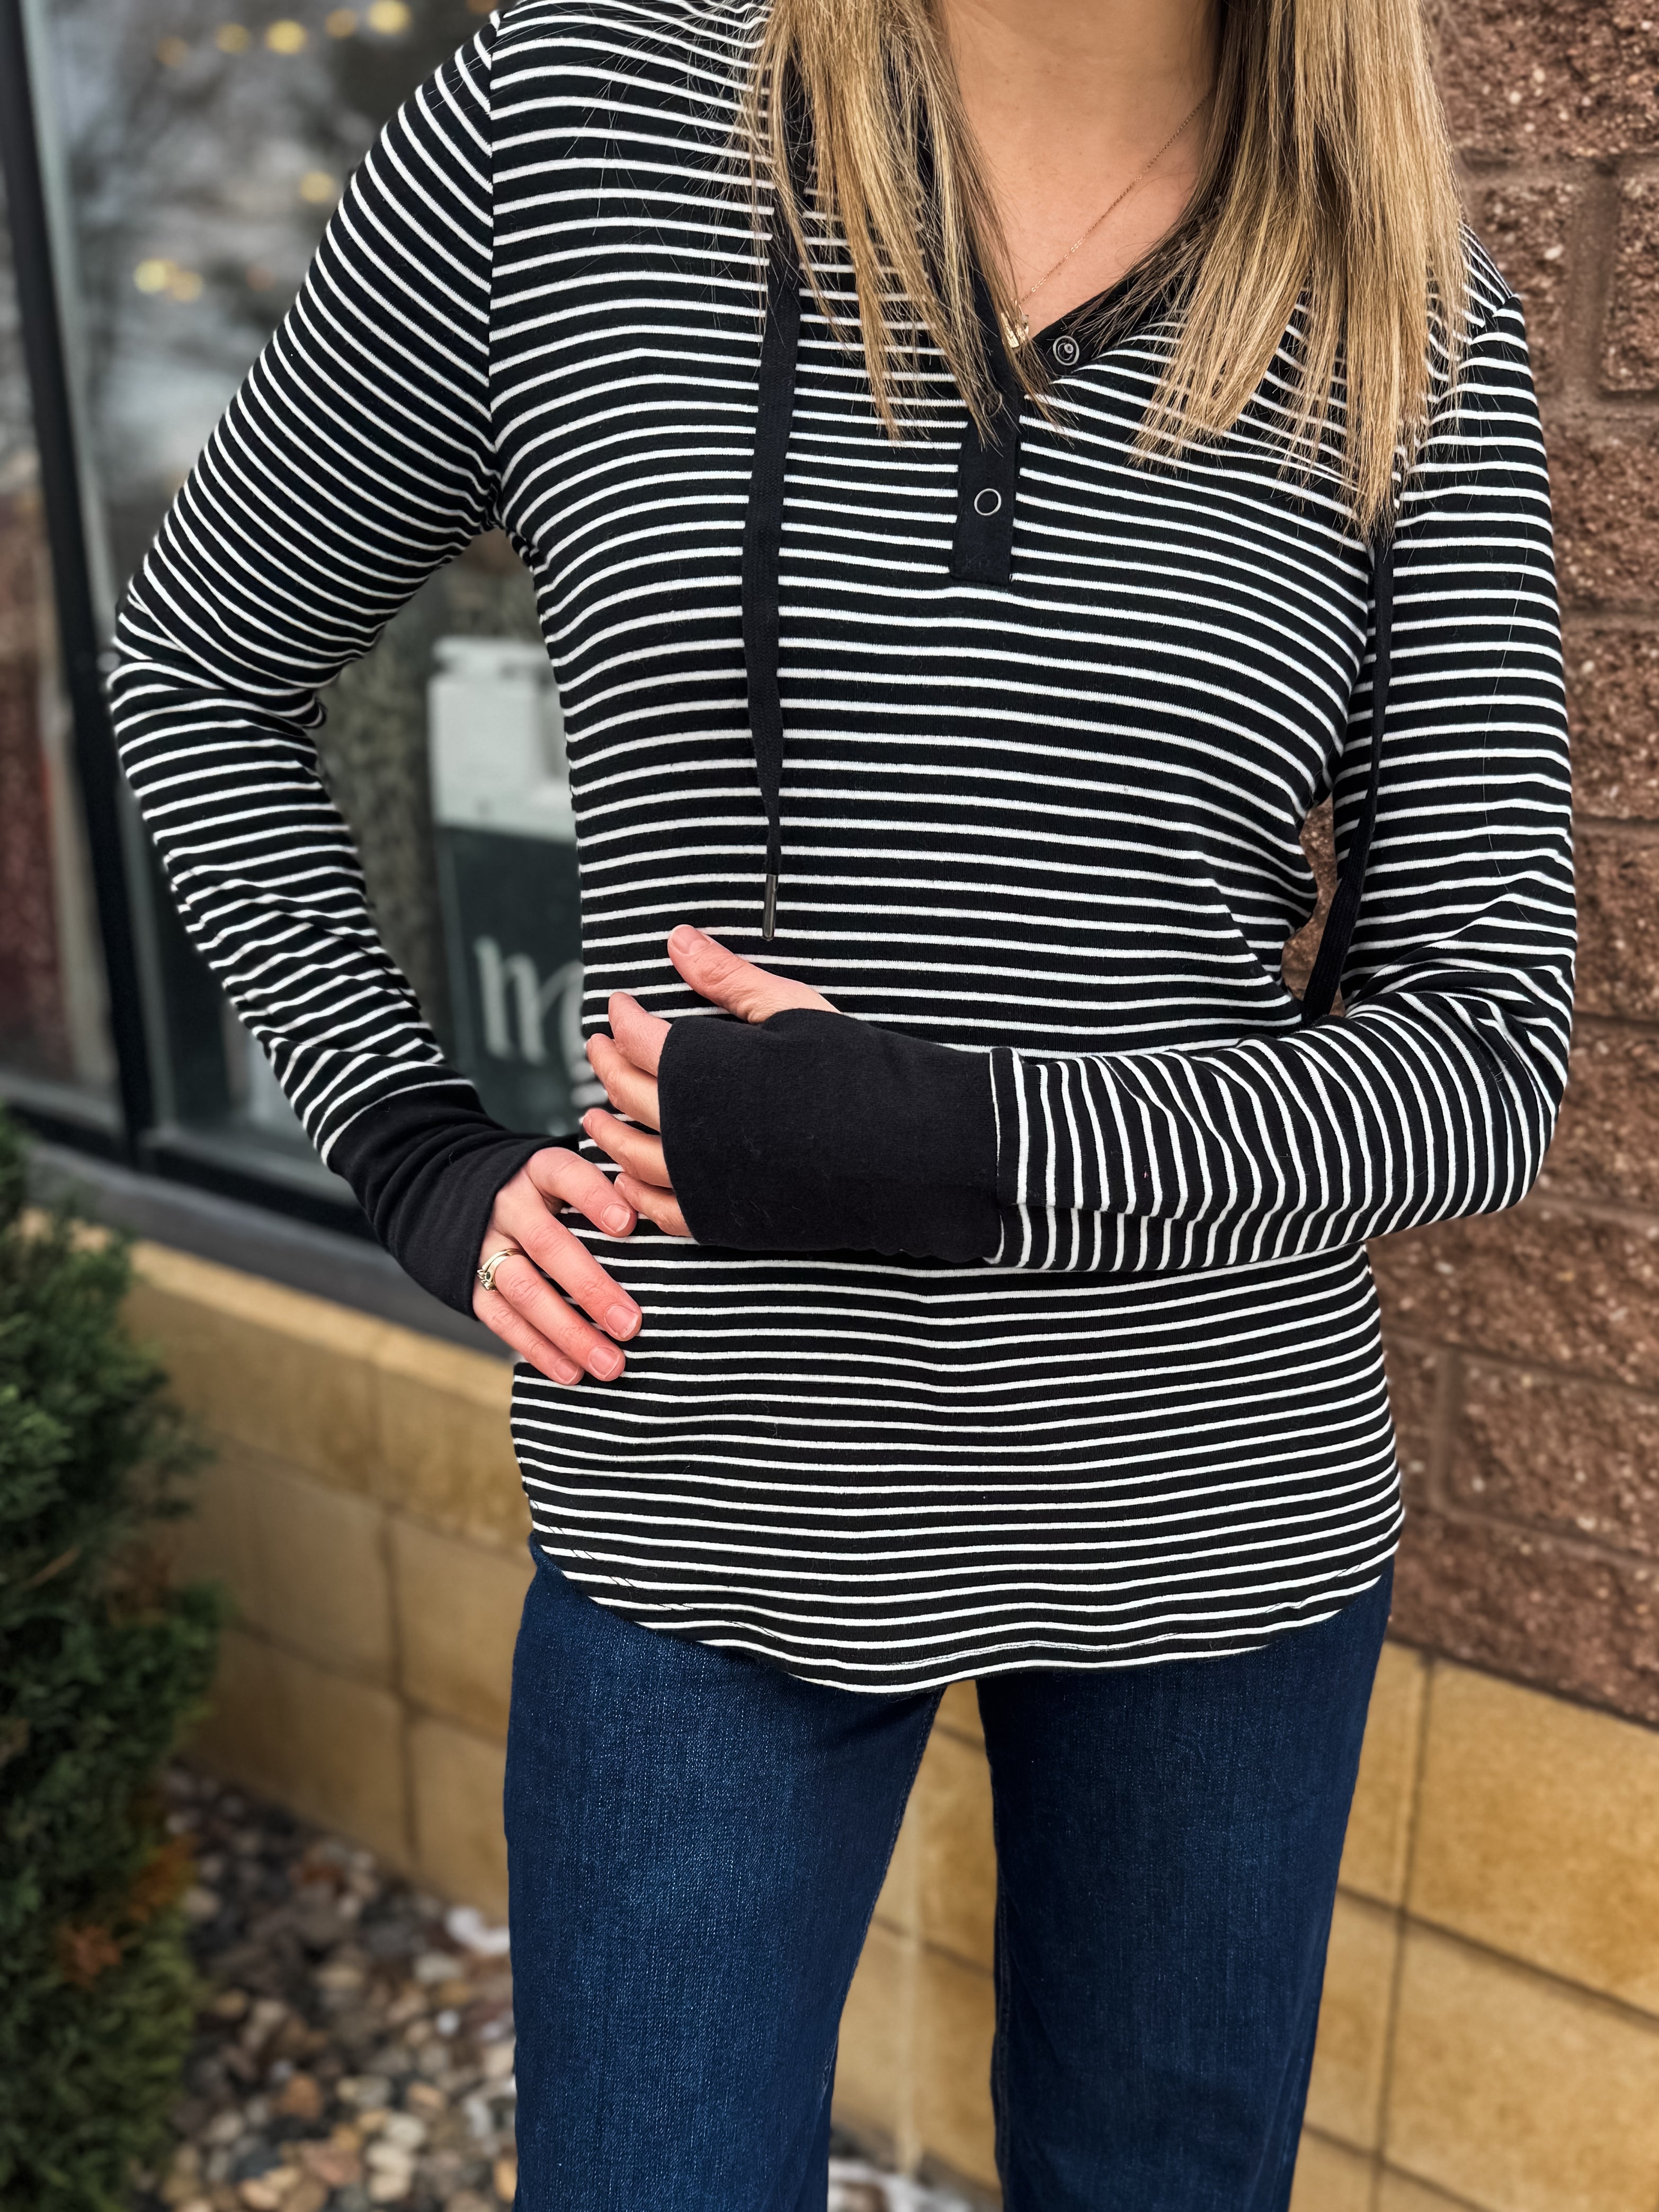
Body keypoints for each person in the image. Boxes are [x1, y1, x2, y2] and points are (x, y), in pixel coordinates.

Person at [111, 0, 1574, 2201]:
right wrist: (405, 1137)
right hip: (710, 1487)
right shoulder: (576, 130)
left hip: (1211, 1515)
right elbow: (198, 665)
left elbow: (1484, 1055)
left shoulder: (1401, 305)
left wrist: (959, 1152)